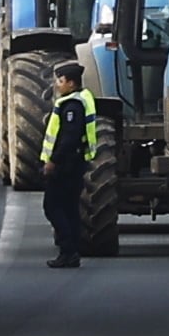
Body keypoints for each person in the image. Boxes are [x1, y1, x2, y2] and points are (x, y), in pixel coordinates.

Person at [42, 61, 98, 269]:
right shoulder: (80, 99)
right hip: (74, 162)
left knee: (52, 207)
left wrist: (53, 161)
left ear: (72, 83)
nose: (57, 85)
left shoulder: (72, 106)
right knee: (70, 208)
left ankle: (68, 249)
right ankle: (72, 251)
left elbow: (69, 138)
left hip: (66, 165)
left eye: (61, 81)